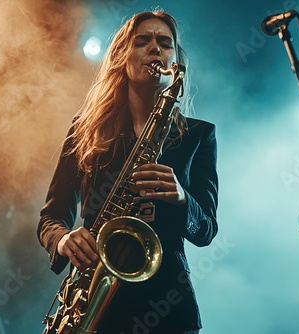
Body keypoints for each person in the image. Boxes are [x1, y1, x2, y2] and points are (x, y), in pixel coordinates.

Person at [37, 10, 218, 334]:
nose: (155, 49)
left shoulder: (199, 135)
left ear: (175, 61)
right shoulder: (85, 130)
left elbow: (206, 229)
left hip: (169, 309)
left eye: (165, 43)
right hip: (93, 303)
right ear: (122, 55)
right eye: (143, 41)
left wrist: (182, 198)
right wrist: (63, 239)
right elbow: (50, 217)